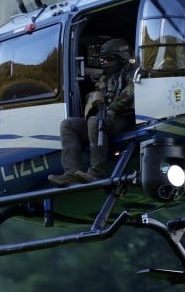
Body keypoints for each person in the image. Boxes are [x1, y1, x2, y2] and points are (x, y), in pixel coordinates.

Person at [49, 38, 136, 186]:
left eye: (109, 59)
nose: (105, 63)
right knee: (68, 124)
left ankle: (96, 173)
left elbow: (130, 91)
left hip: (123, 118)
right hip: (103, 118)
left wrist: (113, 108)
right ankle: (70, 173)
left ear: (122, 58)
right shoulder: (105, 78)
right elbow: (98, 97)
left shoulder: (131, 73)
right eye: (104, 59)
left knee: (94, 122)